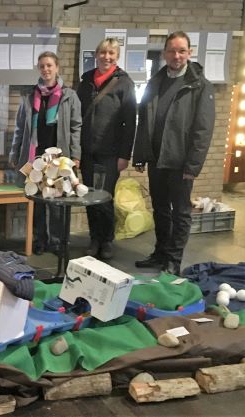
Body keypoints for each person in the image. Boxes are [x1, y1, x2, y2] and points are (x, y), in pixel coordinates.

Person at [133, 31, 215, 275]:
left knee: (180, 213)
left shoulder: (200, 85)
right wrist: (140, 153)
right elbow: (145, 120)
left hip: (180, 163)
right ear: (164, 54)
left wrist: (193, 166)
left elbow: (203, 130)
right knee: (160, 209)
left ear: (189, 53)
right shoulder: (156, 81)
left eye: (181, 51)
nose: (176, 55)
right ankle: (160, 253)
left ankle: (173, 260)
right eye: (172, 51)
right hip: (157, 159)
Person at [9, 51, 82, 255]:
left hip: (60, 158)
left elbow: (76, 126)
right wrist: (14, 153)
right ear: (38, 69)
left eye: (49, 65)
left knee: (58, 201)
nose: (46, 69)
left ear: (57, 67)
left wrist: (76, 155)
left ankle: (58, 242)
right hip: (35, 157)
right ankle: (40, 240)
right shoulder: (30, 96)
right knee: (38, 200)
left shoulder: (69, 96)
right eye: (42, 66)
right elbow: (20, 128)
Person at [77, 38, 137, 260]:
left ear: (117, 56)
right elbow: (77, 116)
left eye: (111, 53)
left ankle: (107, 241)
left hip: (110, 153)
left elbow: (130, 122)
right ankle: (94, 239)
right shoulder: (86, 81)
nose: (106, 57)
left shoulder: (124, 83)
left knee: (104, 198)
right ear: (96, 54)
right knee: (88, 197)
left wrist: (124, 155)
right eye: (103, 52)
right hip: (87, 152)